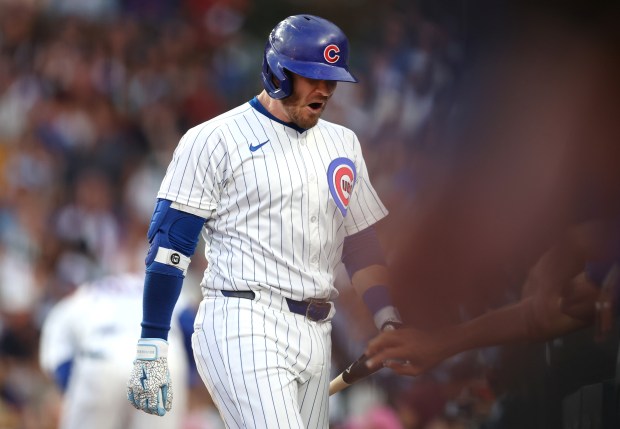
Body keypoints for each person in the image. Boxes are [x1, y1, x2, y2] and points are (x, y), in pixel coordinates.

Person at [126, 14, 402, 429]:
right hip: (243, 319)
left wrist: (388, 318)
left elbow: (360, 243)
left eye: (332, 80)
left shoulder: (343, 142)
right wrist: (153, 337)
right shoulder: (214, 138)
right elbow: (171, 245)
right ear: (277, 71)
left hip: (316, 330)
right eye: (312, 76)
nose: (324, 89)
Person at [40, 272, 193, 429]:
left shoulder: (80, 297)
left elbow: (60, 362)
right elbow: (191, 329)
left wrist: (76, 396)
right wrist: (190, 379)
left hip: (104, 359)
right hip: (162, 358)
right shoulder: (163, 287)